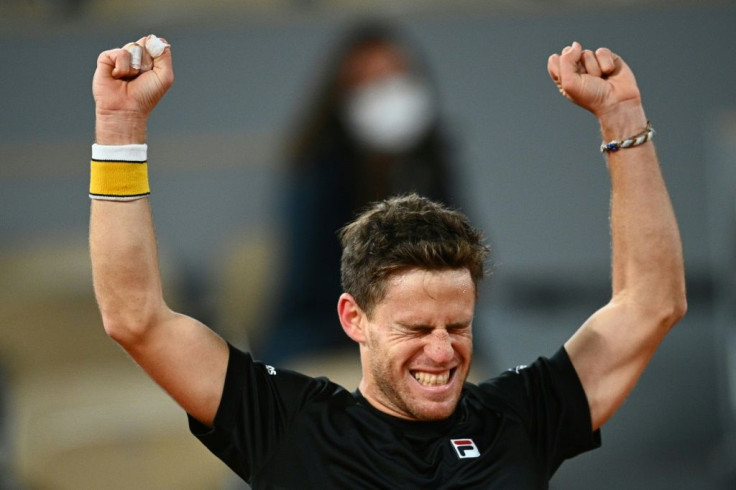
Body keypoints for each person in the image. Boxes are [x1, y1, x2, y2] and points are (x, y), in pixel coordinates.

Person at [89, 35, 686, 488]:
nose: (441, 352)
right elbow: (134, 317)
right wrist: (120, 126)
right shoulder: (289, 426)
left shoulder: (518, 420)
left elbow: (651, 303)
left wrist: (623, 118)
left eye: (457, 327)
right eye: (415, 329)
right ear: (354, 318)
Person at [260, 21, 458, 364]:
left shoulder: (430, 166)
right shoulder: (317, 171)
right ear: (342, 95)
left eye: (395, 77)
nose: (386, 92)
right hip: (322, 332)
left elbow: (461, 263)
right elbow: (310, 285)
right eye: (369, 81)